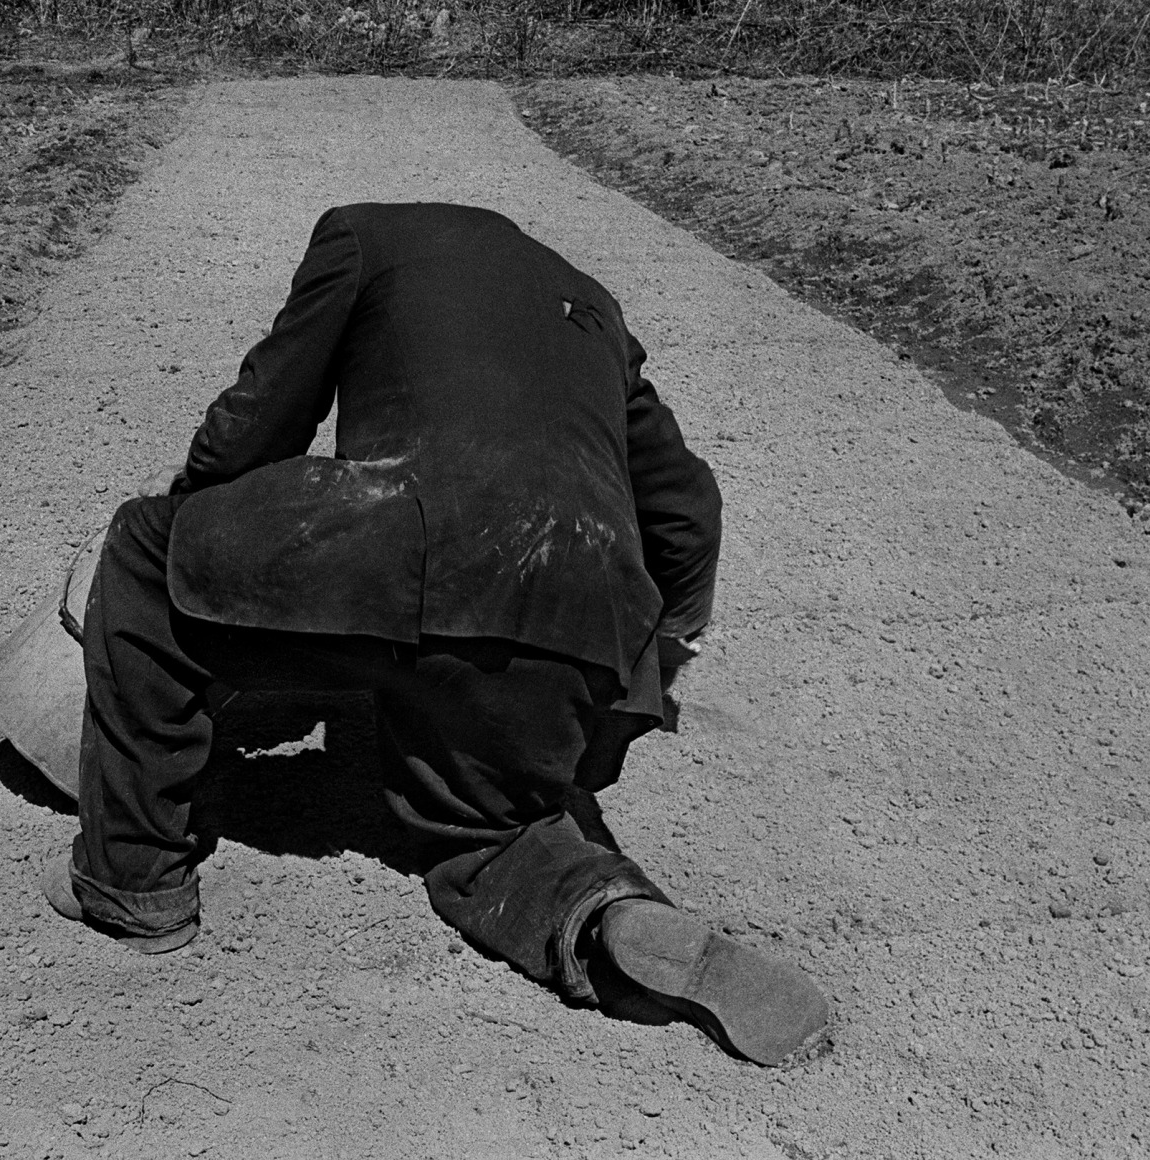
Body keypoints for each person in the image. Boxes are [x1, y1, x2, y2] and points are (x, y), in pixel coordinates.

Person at [42, 203, 828, 1065]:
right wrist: (665, 649)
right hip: (579, 611)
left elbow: (266, 413)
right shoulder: (595, 309)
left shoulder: (364, 236)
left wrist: (200, 510)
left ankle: (131, 882)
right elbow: (687, 507)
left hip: (407, 543)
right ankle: (605, 914)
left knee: (149, 551)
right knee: (493, 827)